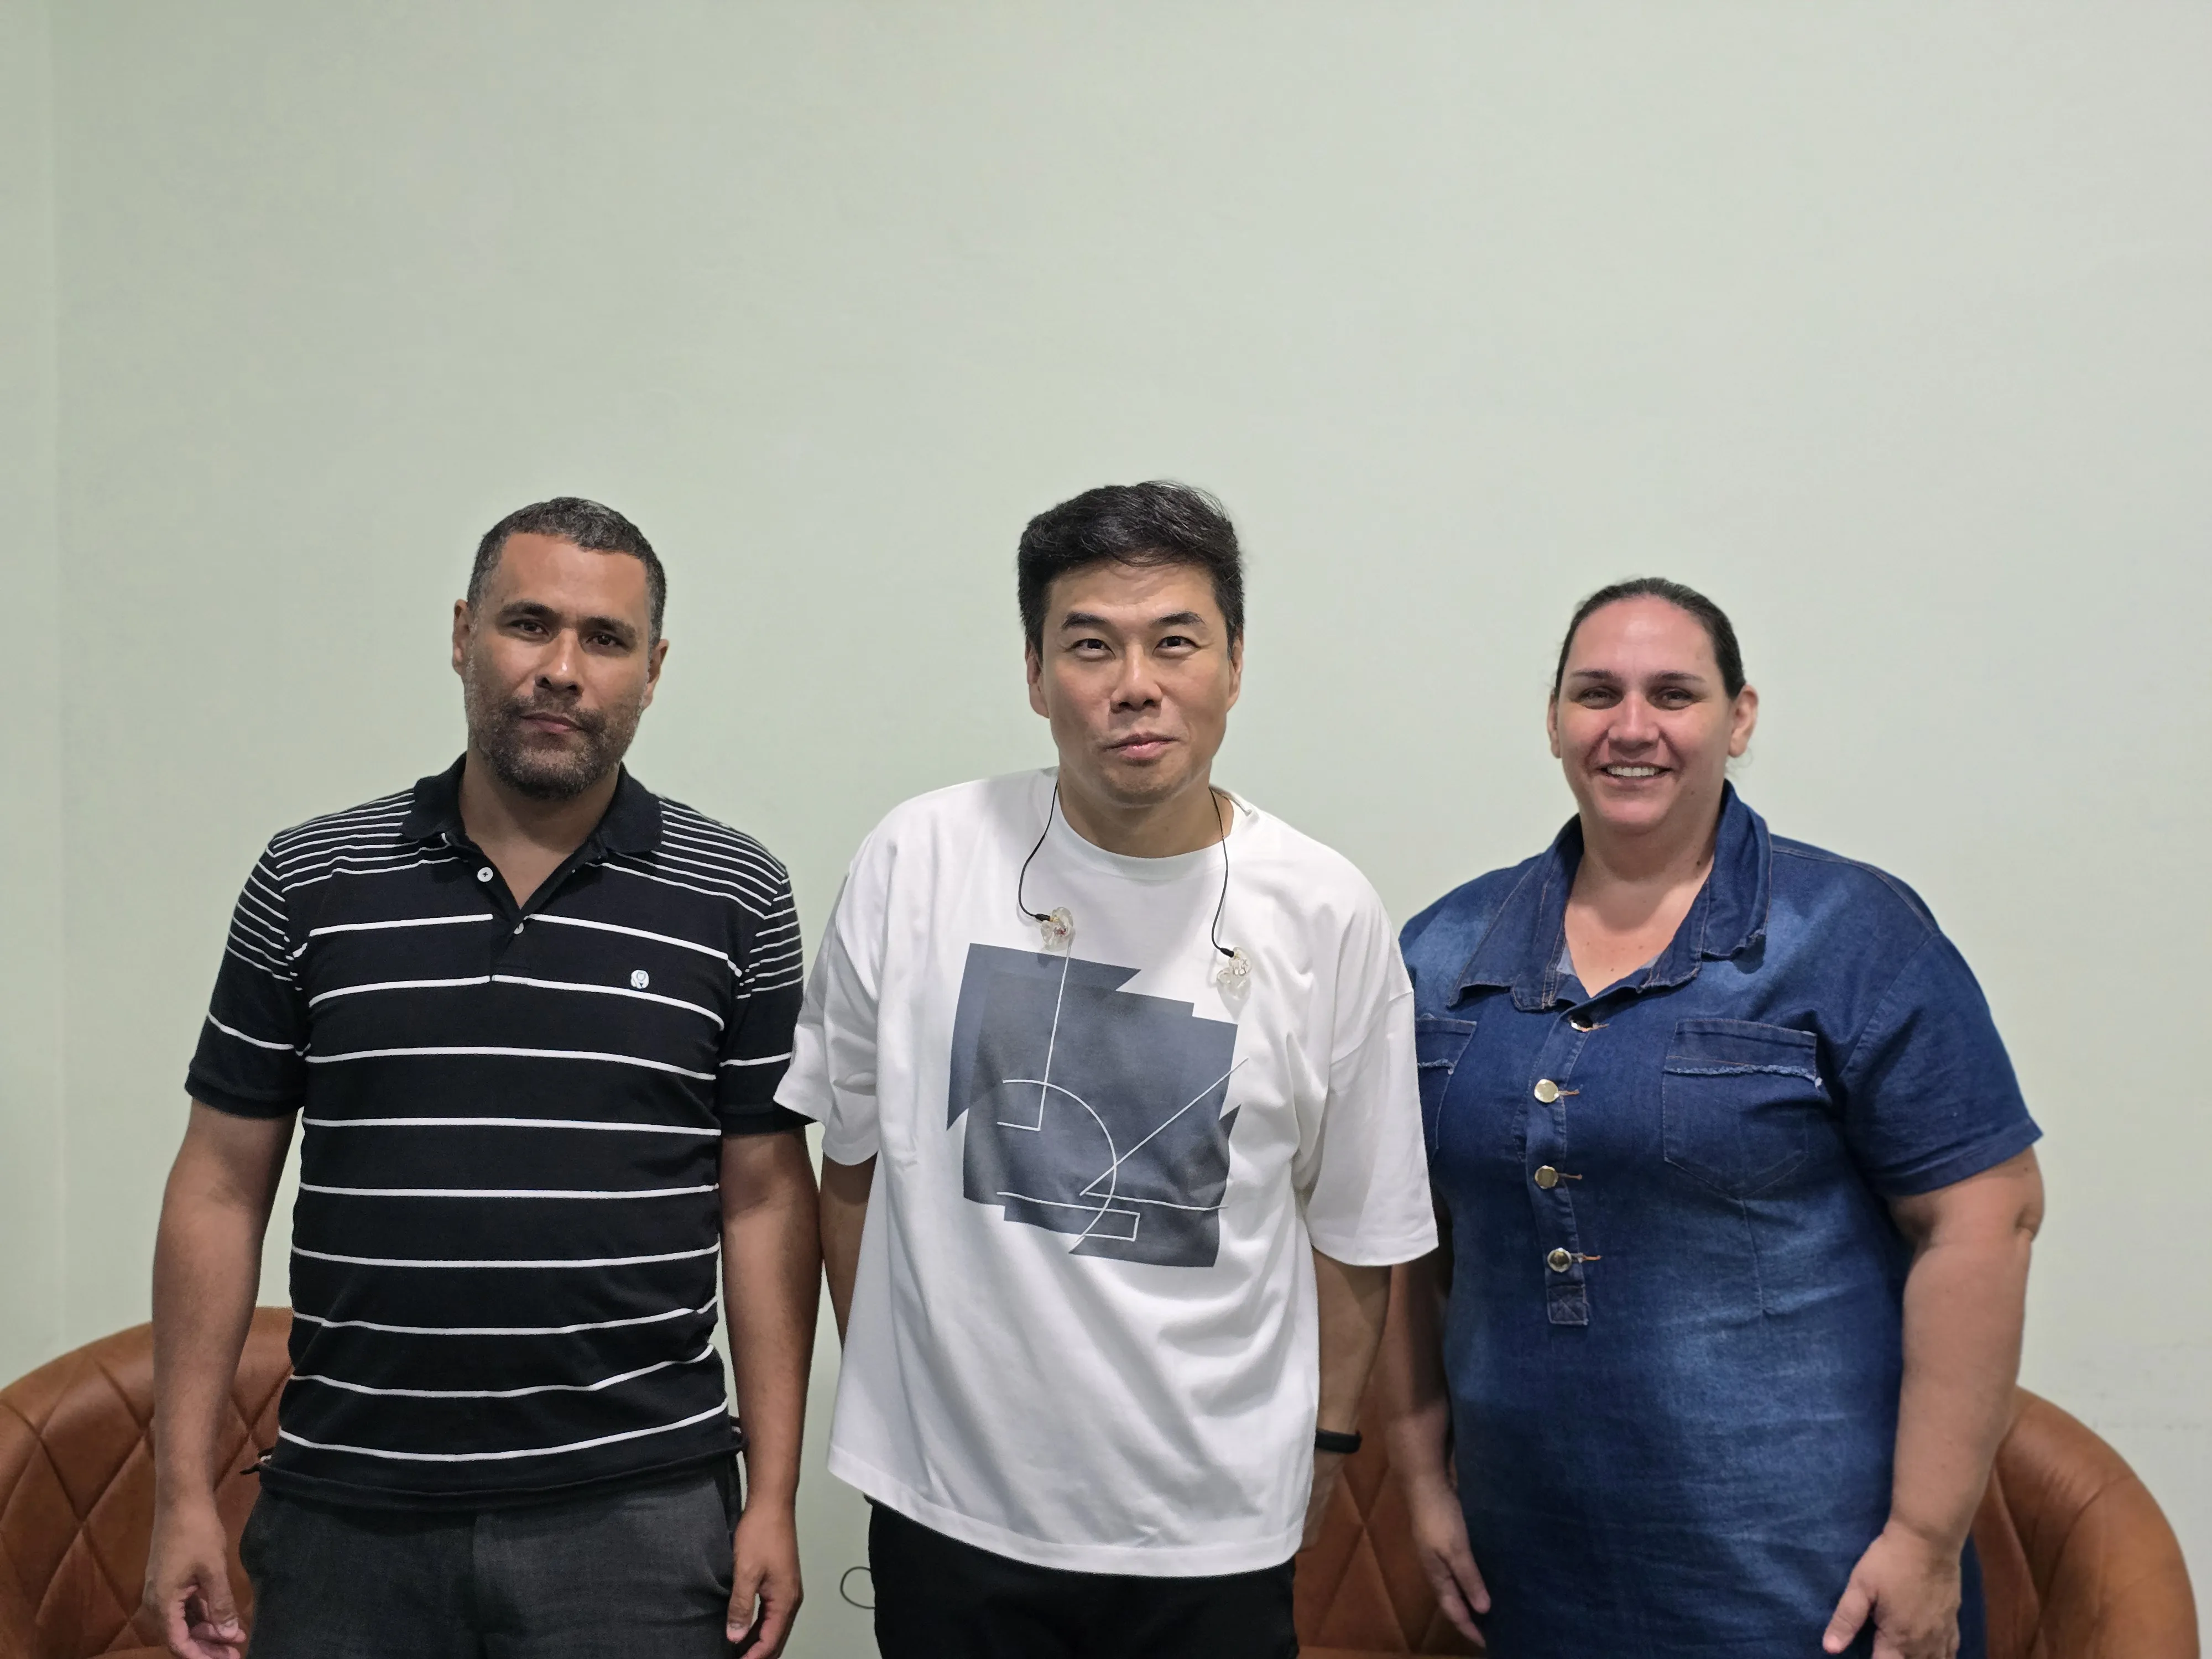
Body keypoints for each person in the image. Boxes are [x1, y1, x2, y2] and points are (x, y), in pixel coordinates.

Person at [142, 498, 820, 1659]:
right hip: (348, 1516)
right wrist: (181, 1492)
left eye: (605, 639)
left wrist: (775, 1495)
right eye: (528, 624)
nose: (562, 669)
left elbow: (763, 1201)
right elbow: (217, 1185)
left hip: (637, 1519)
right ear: (464, 635)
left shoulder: (734, 895)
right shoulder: (312, 880)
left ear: (653, 671)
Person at [776, 481, 1437, 1658]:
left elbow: (1354, 1232)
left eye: (1176, 641)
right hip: (951, 1520)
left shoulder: (1326, 911)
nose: (1136, 683)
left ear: (1234, 665)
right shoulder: (917, 859)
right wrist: (903, 1409)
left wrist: (1330, 1449)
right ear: (1035, 675)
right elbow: (851, 1164)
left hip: (1209, 1533)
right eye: (1090, 646)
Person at [1383, 577, 2044, 1659]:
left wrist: (1926, 1539)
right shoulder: (1441, 953)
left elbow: (1985, 1220)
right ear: (1552, 719)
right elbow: (1403, 1244)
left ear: (1738, 719)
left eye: (1673, 694)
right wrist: (1419, 1482)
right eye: (1596, 693)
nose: (1630, 726)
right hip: (1531, 1560)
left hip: (1808, 1573)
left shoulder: (1851, 934)